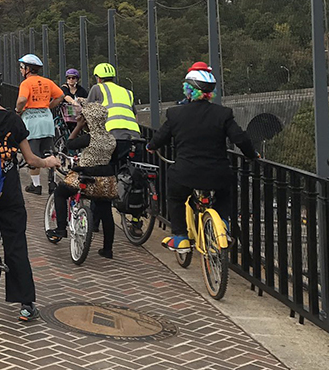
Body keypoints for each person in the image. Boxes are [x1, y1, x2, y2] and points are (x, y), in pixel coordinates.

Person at [0, 70, 61, 321]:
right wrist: (47, 162)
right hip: (7, 188)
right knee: (15, 240)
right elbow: (30, 159)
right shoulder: (14, 122)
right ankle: (26, 304)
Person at [147, 66, 257, 252]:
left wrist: (151, 147)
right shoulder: (223, 114)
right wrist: (252, 155)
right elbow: (241, 138)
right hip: (217, 173)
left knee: (175, 197)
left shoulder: (175, 114)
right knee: (224, 194)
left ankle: (181, 236)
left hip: (185, 173)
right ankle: (222, 223)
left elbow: (160, 138)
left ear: (188, 91)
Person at [45, 102, 117, 258]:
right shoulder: (111, 138)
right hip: (105, 180)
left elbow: (70, 144)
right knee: (106, 213)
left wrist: (78, 126)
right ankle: (107, 249)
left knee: (60, 192)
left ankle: (61, 228)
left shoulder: (90, 138)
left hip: (86, 176)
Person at [15, 54, 64, 195]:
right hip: (47, 120)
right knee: (49, 152)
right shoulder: (47, 82)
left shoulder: (25, 83)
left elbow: (22, 100)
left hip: (32, 121)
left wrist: (18, 110)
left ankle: (36, 185)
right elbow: (60, 96)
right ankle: (52, 183)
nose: (20, 70)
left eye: (21, 67)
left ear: (27, 69)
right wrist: (48, 106)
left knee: (33, 154)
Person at [72, 63, 142, 160]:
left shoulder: (97, 88)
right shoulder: (127, 92)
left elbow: (88, 112)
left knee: (106, 165)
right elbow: (136, 116)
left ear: (99, 79)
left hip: (112, 133)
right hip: (134, 136)